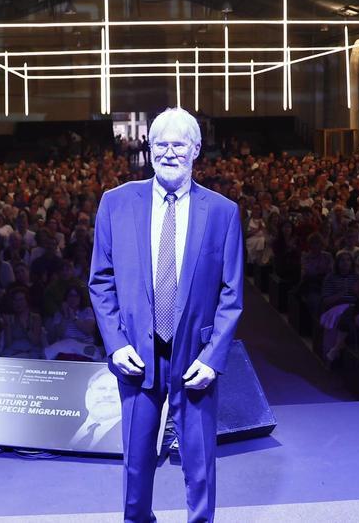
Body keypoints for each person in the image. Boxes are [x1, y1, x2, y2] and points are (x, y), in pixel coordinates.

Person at [89, 107, 244, 523]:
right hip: (137, 355)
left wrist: (213, 359)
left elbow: (232, 295)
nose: (169, 153)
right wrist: (116, 344)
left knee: (199, 464)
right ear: (149, 148)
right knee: (136, 463)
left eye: (179, 144)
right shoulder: (116, 203)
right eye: (161, 144)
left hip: (195, 356)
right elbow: (100, 281)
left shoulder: (223, 212)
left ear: (196, 149)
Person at [67, 368, 123, 454]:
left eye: (116, 389)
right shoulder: (63, 424)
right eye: (101, 389)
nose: (107, 395)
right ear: (88, 393)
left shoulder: (130, 434)